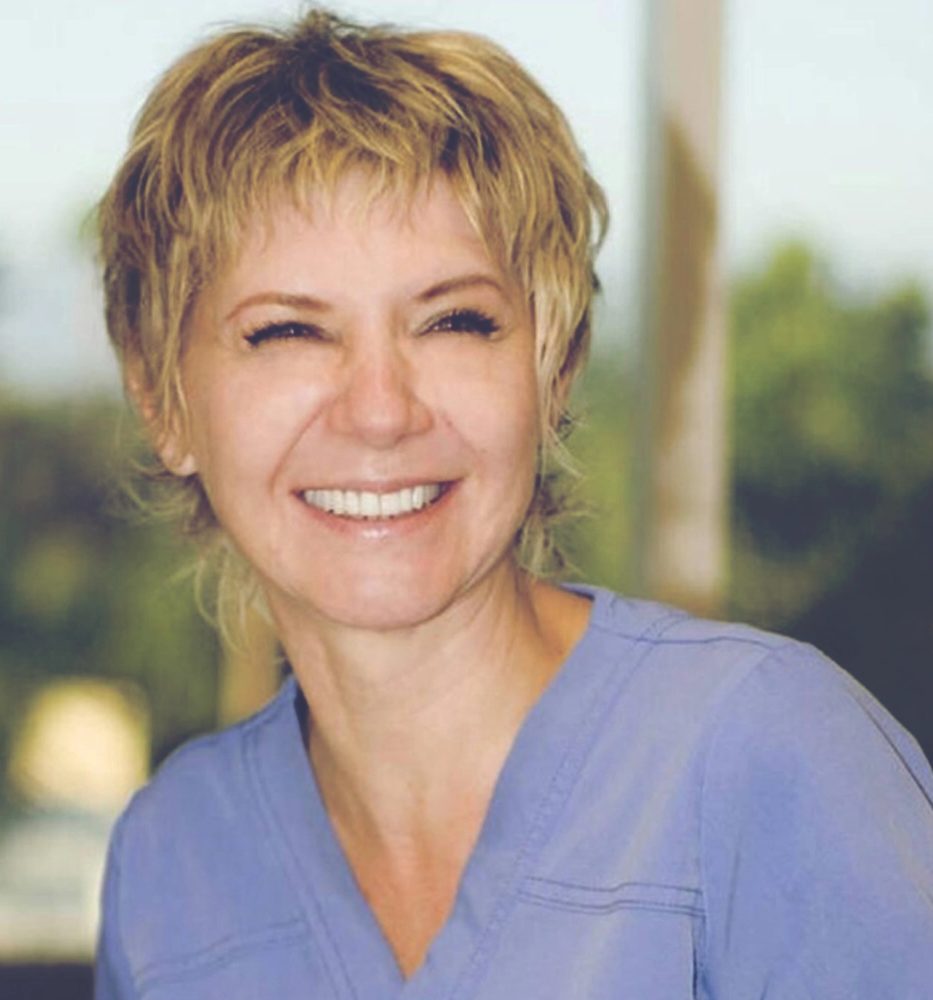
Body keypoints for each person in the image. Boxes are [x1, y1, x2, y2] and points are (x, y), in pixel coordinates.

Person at [93, 9, 933, 999]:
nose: (379, 410)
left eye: (454, 320)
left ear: (552, 367)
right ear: (163, 400)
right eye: (286, 332)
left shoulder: (765, 756)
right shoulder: (167, 865)